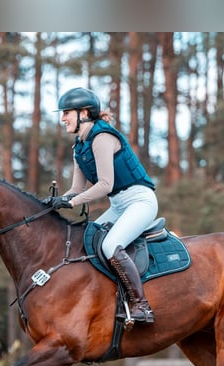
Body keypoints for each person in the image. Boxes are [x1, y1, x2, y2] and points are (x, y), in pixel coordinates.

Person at [48, 87, 157, 324]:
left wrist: (73, 202)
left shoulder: (102, 138)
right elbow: (76, 189)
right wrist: (54, 203)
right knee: (87, 242)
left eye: (67, 112)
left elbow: (105, 184)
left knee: (110, 246)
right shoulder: (80, 146)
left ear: (84, 113)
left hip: (140, 201)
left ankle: (141, 306)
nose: (63, 118)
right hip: (119, 205)